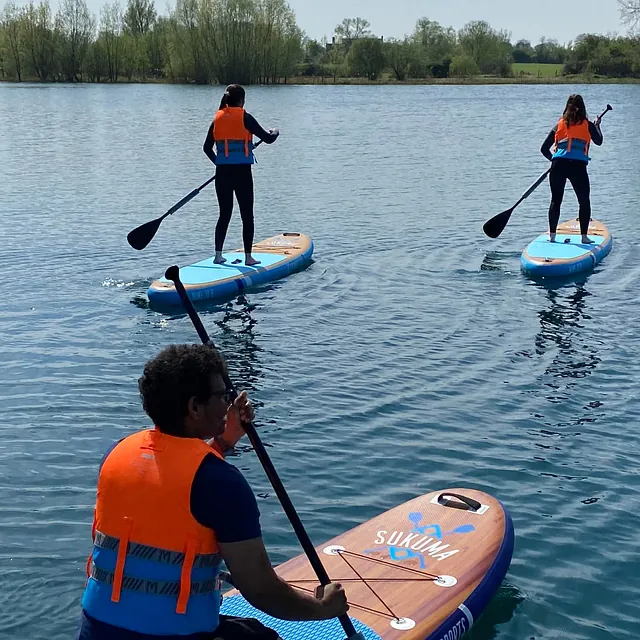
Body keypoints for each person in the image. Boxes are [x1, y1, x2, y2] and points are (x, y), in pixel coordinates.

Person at [75, 343, 348, 640]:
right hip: (174, 635)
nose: (228, 404)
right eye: (222, 396)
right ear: (194, 407)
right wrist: (322, 608)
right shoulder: (223, 484)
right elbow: (261, 590)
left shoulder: (116, 455)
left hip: (96, 630)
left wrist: (225, 440)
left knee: (250, 633)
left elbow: (173, 484)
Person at [203, 84, 280, 267]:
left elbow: (206, 148)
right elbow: (268, 139)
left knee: (224, 214)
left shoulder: (217, 119)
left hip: (222, 173)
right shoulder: (245, 117)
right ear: (241, 100)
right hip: (242, 174)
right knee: (247, 215)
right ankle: (248, 258)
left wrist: (219, 163)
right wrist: (275, 132)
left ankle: (218, 255)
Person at [540, 93, 604, 244]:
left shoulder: (559, 124)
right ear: (583, 108)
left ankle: (552, 236)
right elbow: (599, 141)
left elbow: (543, 149)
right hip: (577, 167)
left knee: (556, 200)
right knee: (584, 201)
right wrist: (597, 126)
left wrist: (554, 160)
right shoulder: (588, 125)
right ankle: (584, 237)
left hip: (558, 165)